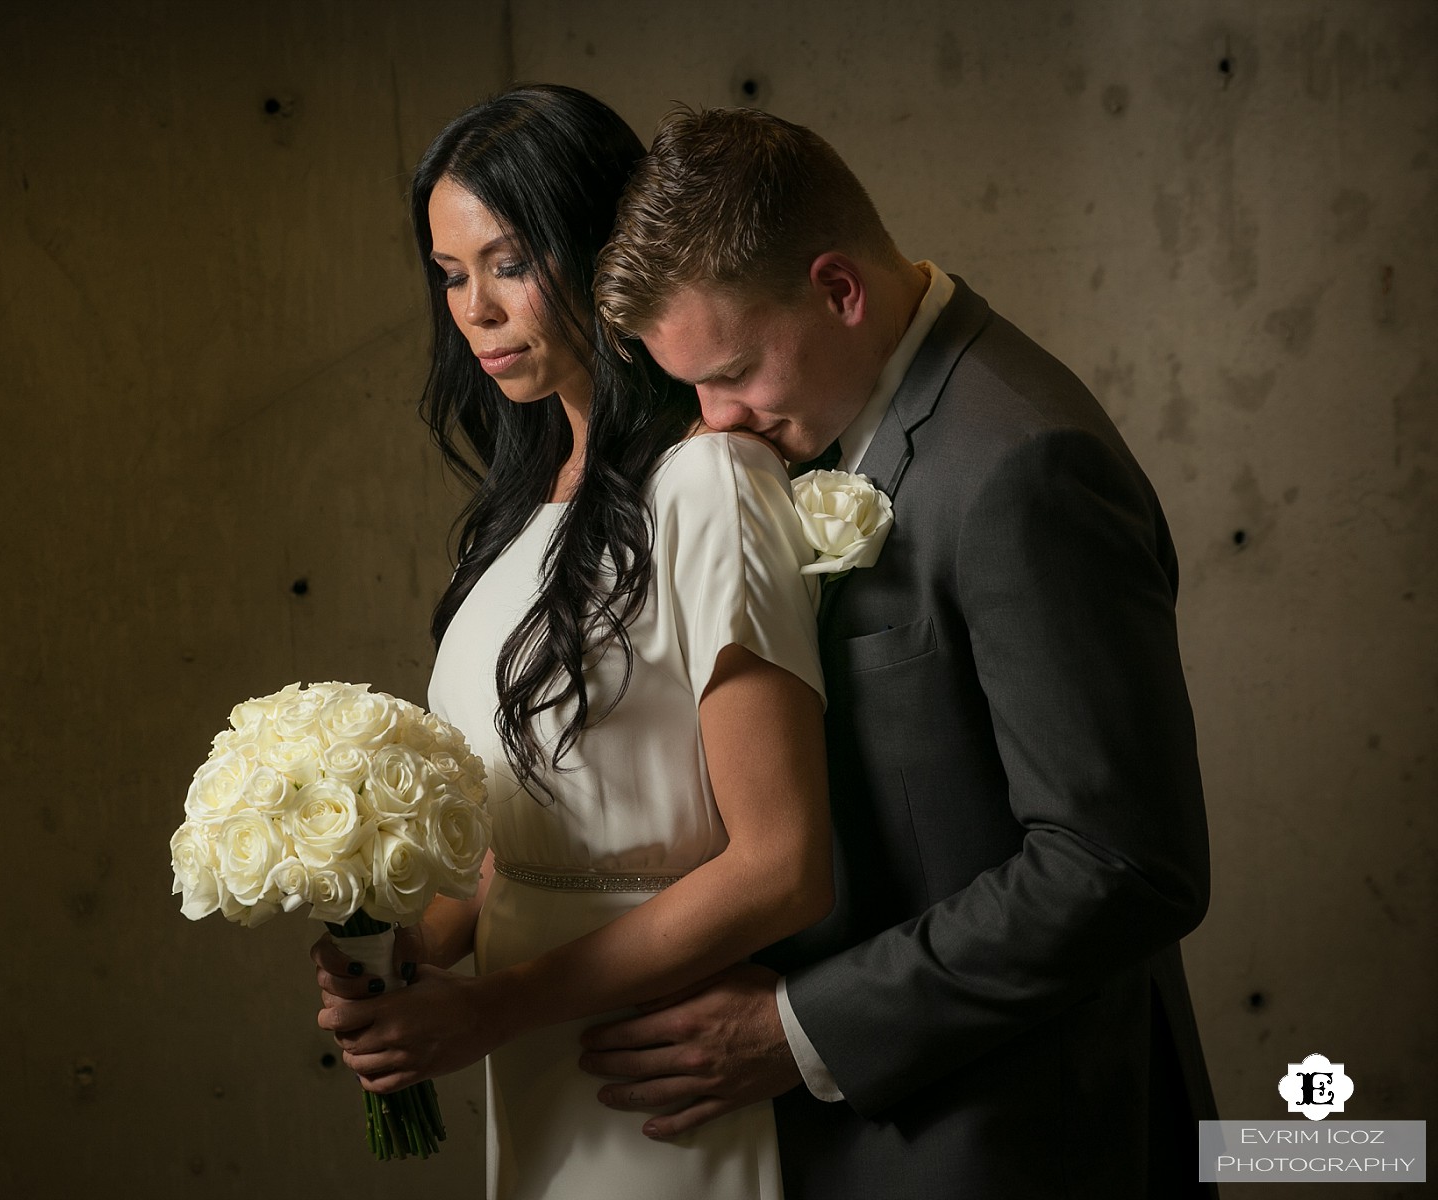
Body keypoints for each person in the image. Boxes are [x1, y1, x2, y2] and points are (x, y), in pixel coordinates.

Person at [582, 106, 1221, 1198]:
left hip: (1024, 1142)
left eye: (733, 371)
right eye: (691, 385)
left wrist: (797, 1029)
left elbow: (1118, 867)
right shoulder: (841, 411)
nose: (714, 422)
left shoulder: (1024, 462)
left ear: (840, 291)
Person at [307, 85, 834, 1199]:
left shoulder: (709, 485)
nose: (475, 310)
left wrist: (491, 1008)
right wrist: (397, 960)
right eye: (450, 275)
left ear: (598, 251)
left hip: (658, 1060)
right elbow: (515, 837)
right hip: (526, 1050)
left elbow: (784, 867)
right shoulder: (514, 520)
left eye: (508, 262)